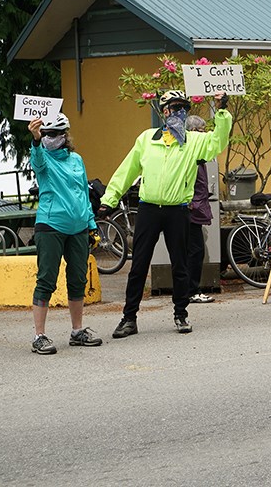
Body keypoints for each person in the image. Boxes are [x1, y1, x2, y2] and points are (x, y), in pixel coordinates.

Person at [98, 90, 232, 337]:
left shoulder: (193, 141)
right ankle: (129, 318)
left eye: (184, 107)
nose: (180, 111)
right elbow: (126, 170)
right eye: (174, 107)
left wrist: (221, 111)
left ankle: (181, 315)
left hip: (177, 210)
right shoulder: (147, 139)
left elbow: (218, 142)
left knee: (180, 265)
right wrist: (109, 199)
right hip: (149, 209)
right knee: (138, 266)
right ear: (164, 111)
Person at [27, 114, 103, 354]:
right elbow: (36, 162)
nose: (49, 138)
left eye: (53, 134)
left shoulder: (76, 160)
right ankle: (39, 335)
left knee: (78, 278)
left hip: (78, 227)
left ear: (64, 135)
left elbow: (83, 192)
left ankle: (77, 330)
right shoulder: (43, 158)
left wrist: (91, 223)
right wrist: (36, 140)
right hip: (51, 226)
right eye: (46, 134)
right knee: (46, 279)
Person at [186, 115, 215, 304]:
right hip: (190, 209)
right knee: (194, 250)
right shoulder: (190, 154)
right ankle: (191, 290)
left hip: (195, 206)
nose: (204, 134)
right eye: (201, 130)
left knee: (192, 250)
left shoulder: (198, 153)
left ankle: (189, 289)